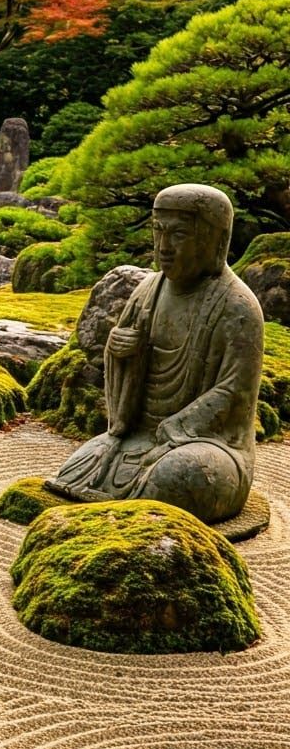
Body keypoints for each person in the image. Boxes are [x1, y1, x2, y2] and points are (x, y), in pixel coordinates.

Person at [46, 183, 264, 524]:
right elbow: (122, 376)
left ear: (214, 240)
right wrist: (122, 355)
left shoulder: (237, 306)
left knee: (181, 476)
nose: (164, 247)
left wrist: (174, 430)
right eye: (158, 231)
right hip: (139, 436)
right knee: (78, 467)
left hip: (209, 443)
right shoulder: (148, 290)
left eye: (178, 234)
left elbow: (235, 393)